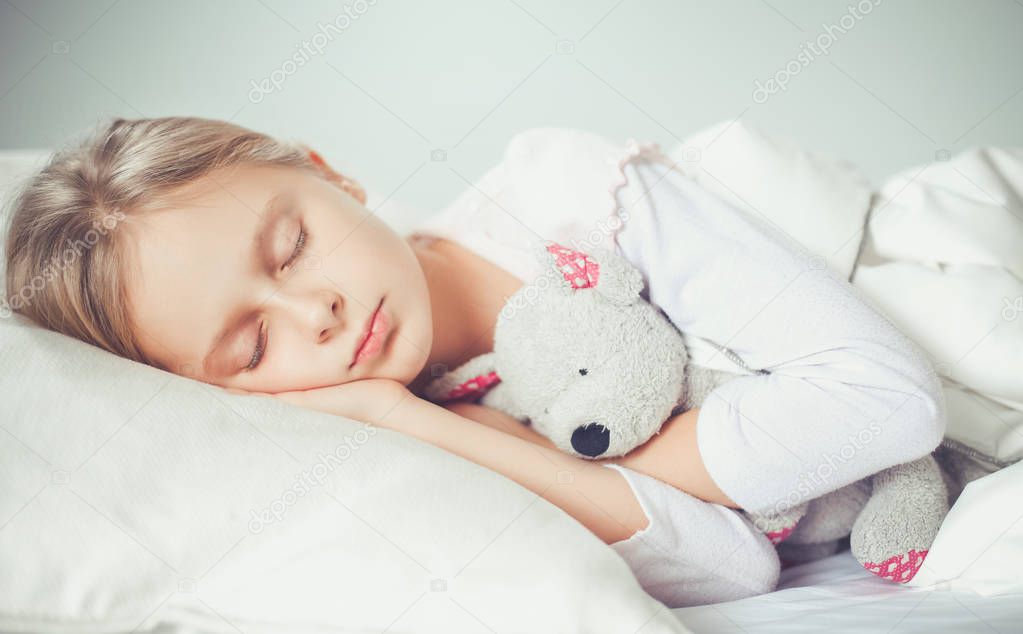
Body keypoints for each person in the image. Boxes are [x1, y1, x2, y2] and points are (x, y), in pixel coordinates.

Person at [2, 117, 944, 607]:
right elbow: (733, 569)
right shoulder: (429, 422)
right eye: (252, 344)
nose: (315, 312)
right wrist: (404, 422)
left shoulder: (566, 197)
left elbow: (886, 400)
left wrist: (613, 460)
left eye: (291, 246)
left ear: (330, 174)